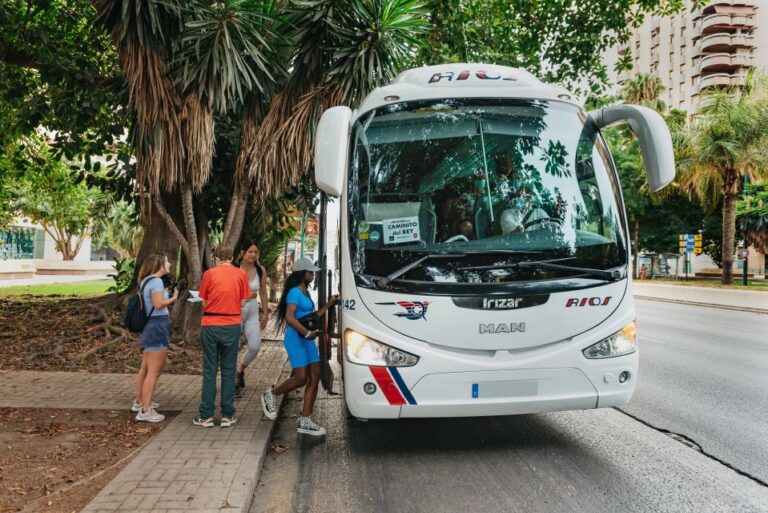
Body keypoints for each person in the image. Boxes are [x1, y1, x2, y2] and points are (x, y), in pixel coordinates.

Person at [261, 258, 339, 436]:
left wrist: (328, 305)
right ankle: (271, 394)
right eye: (310, 272)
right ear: (302, 273)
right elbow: (290, 318)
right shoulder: (294, 292)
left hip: (308, 338)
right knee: (301, 378)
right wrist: (306, 333)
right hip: (297, 338)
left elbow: (311, 316)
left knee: (315, 376)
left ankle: (305, 420)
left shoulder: (305, 292)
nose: (313, 275)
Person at [193, 245, 252, 428]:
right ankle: (227, 415)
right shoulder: (241, 274)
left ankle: (206, 416)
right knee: (228, 370)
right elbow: (243, 301)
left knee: (210, 370)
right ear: (233, 257)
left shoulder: (209, 274)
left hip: (210, 325)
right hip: (232, 325)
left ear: (216, 257)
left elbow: (204, 301)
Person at [133, 253, 178, 423]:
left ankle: (140, 401)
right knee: (154, 371)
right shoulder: (157, 281)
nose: (170, 264)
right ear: (159, 264)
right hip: (157, 326)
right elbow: (158, 304)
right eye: (167, 261)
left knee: (145, 368)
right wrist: (173, 298)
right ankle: (145, 410)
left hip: (149, 326)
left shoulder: (146, 280)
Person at [234, 239, 269, 398]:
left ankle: (240, 370)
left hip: (252, 310)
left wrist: (266, 313)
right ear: (242, 252)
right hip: (235, 310)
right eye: (250, 251)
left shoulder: (260, 270)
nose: (253, 255)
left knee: (255, 346)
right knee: (233, 347)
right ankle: (232, 380)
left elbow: (262, 293)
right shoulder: (234, 269)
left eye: (256, 252)